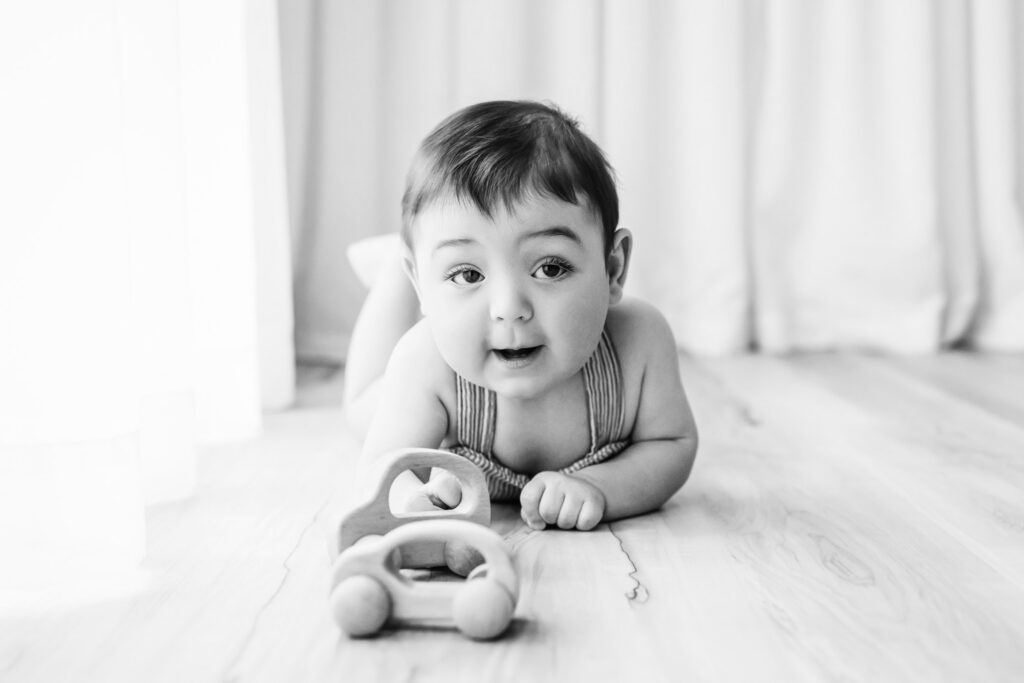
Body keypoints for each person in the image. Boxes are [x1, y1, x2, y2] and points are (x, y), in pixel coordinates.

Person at [344, 100, 698, 535]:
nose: (509, 307)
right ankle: (392, 276)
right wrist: (413, 501)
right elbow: (383, 472)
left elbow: (670, 445)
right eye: (468, 273)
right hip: (408, 394)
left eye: (550, 268)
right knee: (361, 404)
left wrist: (597, 487)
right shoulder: (425, 363)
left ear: (613, 269)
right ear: (423, 283)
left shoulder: (638, 344)